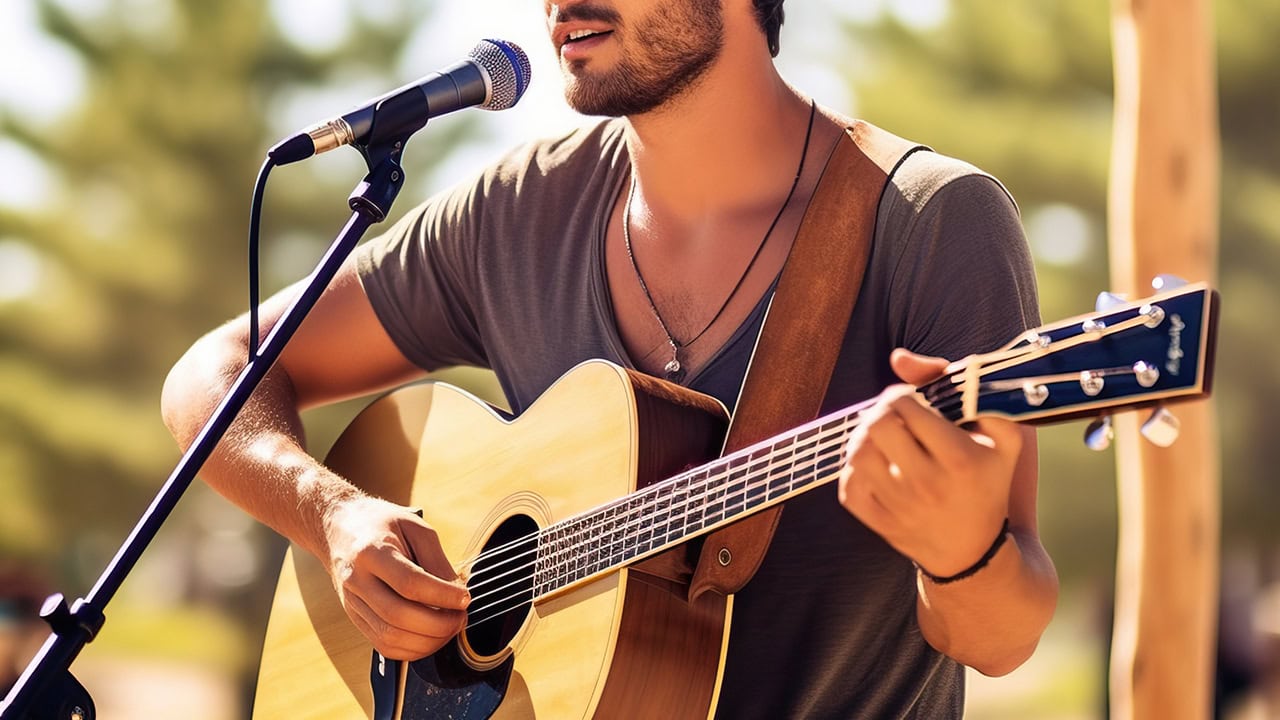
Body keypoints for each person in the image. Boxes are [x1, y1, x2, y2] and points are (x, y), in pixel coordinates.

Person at [161, 0, 1058, 716]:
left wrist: (960, 554)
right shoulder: (515, 213)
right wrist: (334, 516)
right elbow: (218, 368)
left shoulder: (935, 223)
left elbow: (1003, 637)